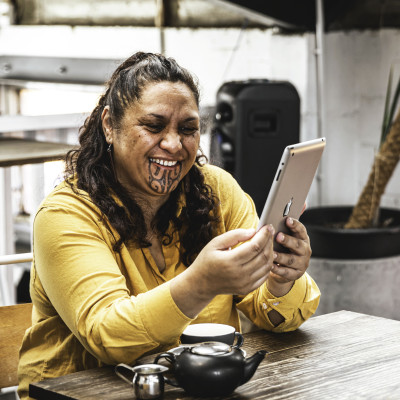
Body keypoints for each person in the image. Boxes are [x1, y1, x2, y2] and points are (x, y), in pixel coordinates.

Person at [17, 52, 320, 399]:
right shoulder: (66, 213)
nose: (174, 144)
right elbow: (107, 336)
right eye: (154, 125)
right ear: (109, 126)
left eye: (188, 129)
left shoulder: (217, 190)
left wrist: (281, 279)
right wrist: (201, 284)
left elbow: (276, 313)